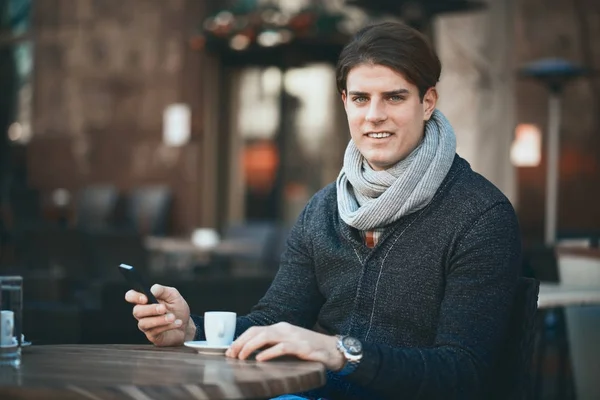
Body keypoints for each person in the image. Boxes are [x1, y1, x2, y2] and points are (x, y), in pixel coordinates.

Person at [126, 21, 521, 400]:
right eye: (361, 98)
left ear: (427, 102)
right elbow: (274, 318)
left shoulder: (480, 215)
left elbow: (462, 373)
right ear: (345, 103)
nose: (374, 115)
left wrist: (341, 352)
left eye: (395, 97)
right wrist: (192, 328)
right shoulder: (324, 207)